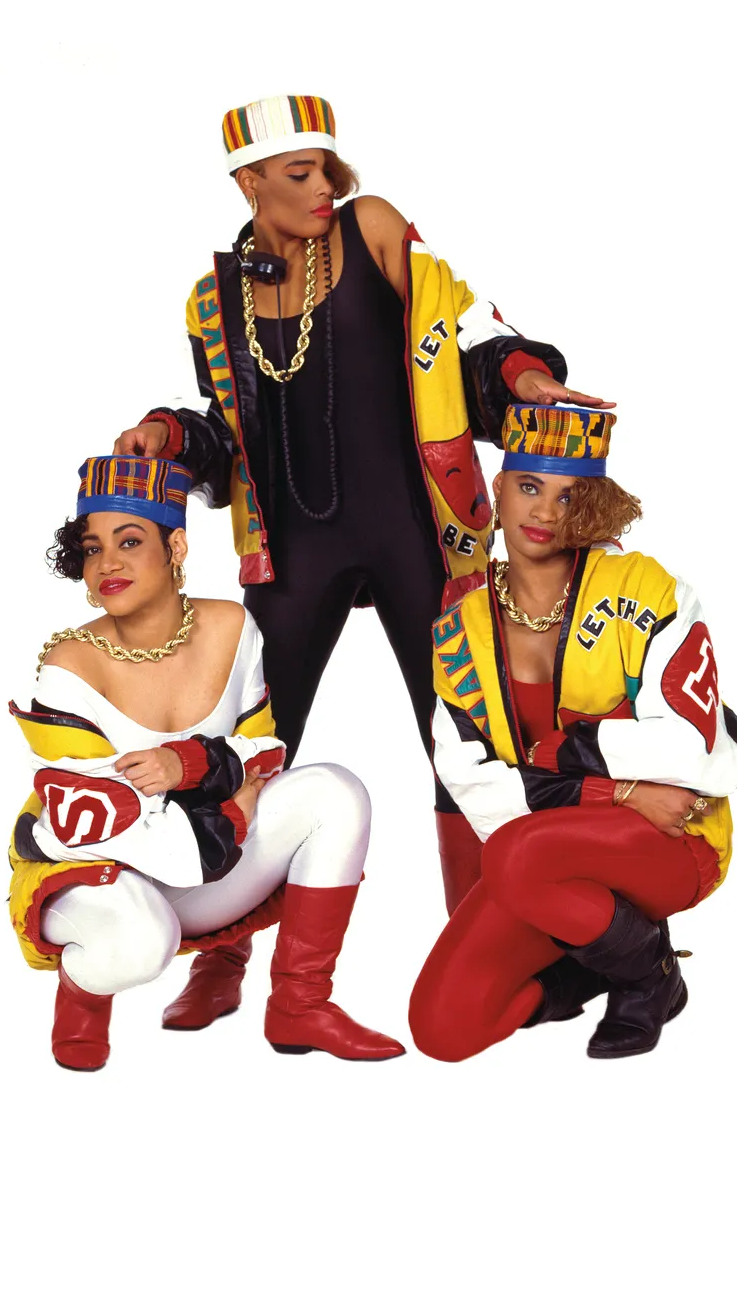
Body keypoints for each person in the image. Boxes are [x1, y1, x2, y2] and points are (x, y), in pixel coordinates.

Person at [112, 92, 611, 1024]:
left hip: (417, 530)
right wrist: (166, 436)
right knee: (247, 746)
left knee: (465, 736)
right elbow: (231, 436)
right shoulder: (212, 297)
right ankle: (222, 957)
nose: (325, 186)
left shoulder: (371, 228)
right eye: (300, 172)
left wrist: (524, 378)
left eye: (329, 167)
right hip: (292, 548)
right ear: (248, 181)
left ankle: (489, 936)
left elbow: (457, 343)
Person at [7, 454, 404, 1069]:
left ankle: (300, 1004)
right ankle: (84, 994)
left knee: (335, 792)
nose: (107, 562)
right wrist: (235, 801)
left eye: (130, 540)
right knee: (142, 943)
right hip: (96, 876)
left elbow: (266, 752)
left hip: (202, 864)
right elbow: (115, 825)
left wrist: (186, 763)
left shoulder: (231, 625)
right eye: (92, 548)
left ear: (177, 546)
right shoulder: (67, 668)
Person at [408, 403, 737, 1061]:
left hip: (673, 842)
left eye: (569, 496)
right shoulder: (458, 624)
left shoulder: (648, 591)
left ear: (592, 505)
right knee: (443, 1028)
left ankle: (650, 974)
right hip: (549, 857)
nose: (544, 512)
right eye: (529, 486)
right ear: (497, 488)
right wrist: (614, 792)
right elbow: (476, 789)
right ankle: (601, 963)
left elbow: (696, 753)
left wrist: (568, 752)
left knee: (514, 856)